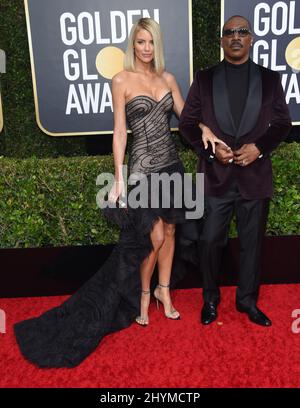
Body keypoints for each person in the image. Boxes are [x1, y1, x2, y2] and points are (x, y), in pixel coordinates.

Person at [14, 18, 221, 368]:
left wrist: (204, 129)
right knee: (151, 235)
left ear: (157, 45)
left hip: (171, 168)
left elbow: (185, 119)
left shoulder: (167, 79)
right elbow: (121, 131)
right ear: (133, 44)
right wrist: (120, 178)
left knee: (171, 231)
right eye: (140, 42)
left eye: (151, 42)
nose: (145, 49)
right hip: (141, 172)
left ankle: (163, 294)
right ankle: (142, 298)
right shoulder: (121, 80)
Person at [179, 15, 292, 327]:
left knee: (252, 245)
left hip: (255, 179)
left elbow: (282, 123)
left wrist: (260, 147)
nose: (236, 36)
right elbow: (187, 124)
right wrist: (211, 152)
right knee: (209, 242)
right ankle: (210, 299)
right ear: (222, 41)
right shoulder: (204, 79)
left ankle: (247, 302)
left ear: (251, 38)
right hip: (216, 178)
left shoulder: (271, 79)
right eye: (229, 32)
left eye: (242, 31)